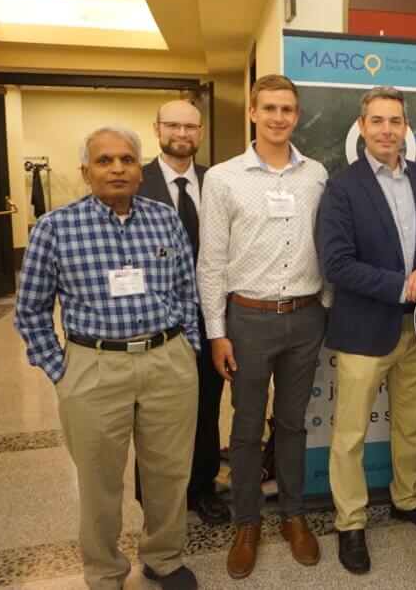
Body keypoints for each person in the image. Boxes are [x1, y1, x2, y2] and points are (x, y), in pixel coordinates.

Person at [14, 126, 199, 590]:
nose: (117, 168)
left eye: (127, 159)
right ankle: (104, 571)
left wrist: (187, 347)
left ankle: (164, 557)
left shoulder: (164, 219)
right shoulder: (55, 228)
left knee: (170, 472)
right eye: (104, 161)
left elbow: (185, 290)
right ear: (85, 171)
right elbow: (31, 309)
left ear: (141, 168)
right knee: (99, 482)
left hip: (167, 362)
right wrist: (62, 370)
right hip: (93, 367)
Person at [317, 85, 416, 575]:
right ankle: (350, 523)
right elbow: (337, 264)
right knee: (350, 433)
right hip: (364, 329)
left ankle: (406, 497)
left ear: (406, 128)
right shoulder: (342, 187)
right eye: (377, 121)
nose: (387, 130)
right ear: (362, 126)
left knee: (411, 423)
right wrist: (402, 285)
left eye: (395, 121)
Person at [197, 74, 328, 578]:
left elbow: (327, 244)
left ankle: (294, 516)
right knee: (247, 429)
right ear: (253, 112)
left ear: (297, 115)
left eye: (288, 109)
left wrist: (329, 310)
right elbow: (211, 262)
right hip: (246, 319)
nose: (278, 117)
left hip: (304, 316)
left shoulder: (316, 174)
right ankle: (247, 522)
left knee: (293, 424)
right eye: (269, 108)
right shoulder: (225, 178)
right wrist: (216, 332)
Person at [131, 99, 230, 526]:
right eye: (173, 125)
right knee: (152, 416)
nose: (182, 133)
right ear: (157, 129)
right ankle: (152, 498)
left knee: (207, 407)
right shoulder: (134, 181)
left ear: (201, 132)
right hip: (157, 323)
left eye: (190, 126)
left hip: (212, 319)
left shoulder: (219, 181)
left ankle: (203, 487)